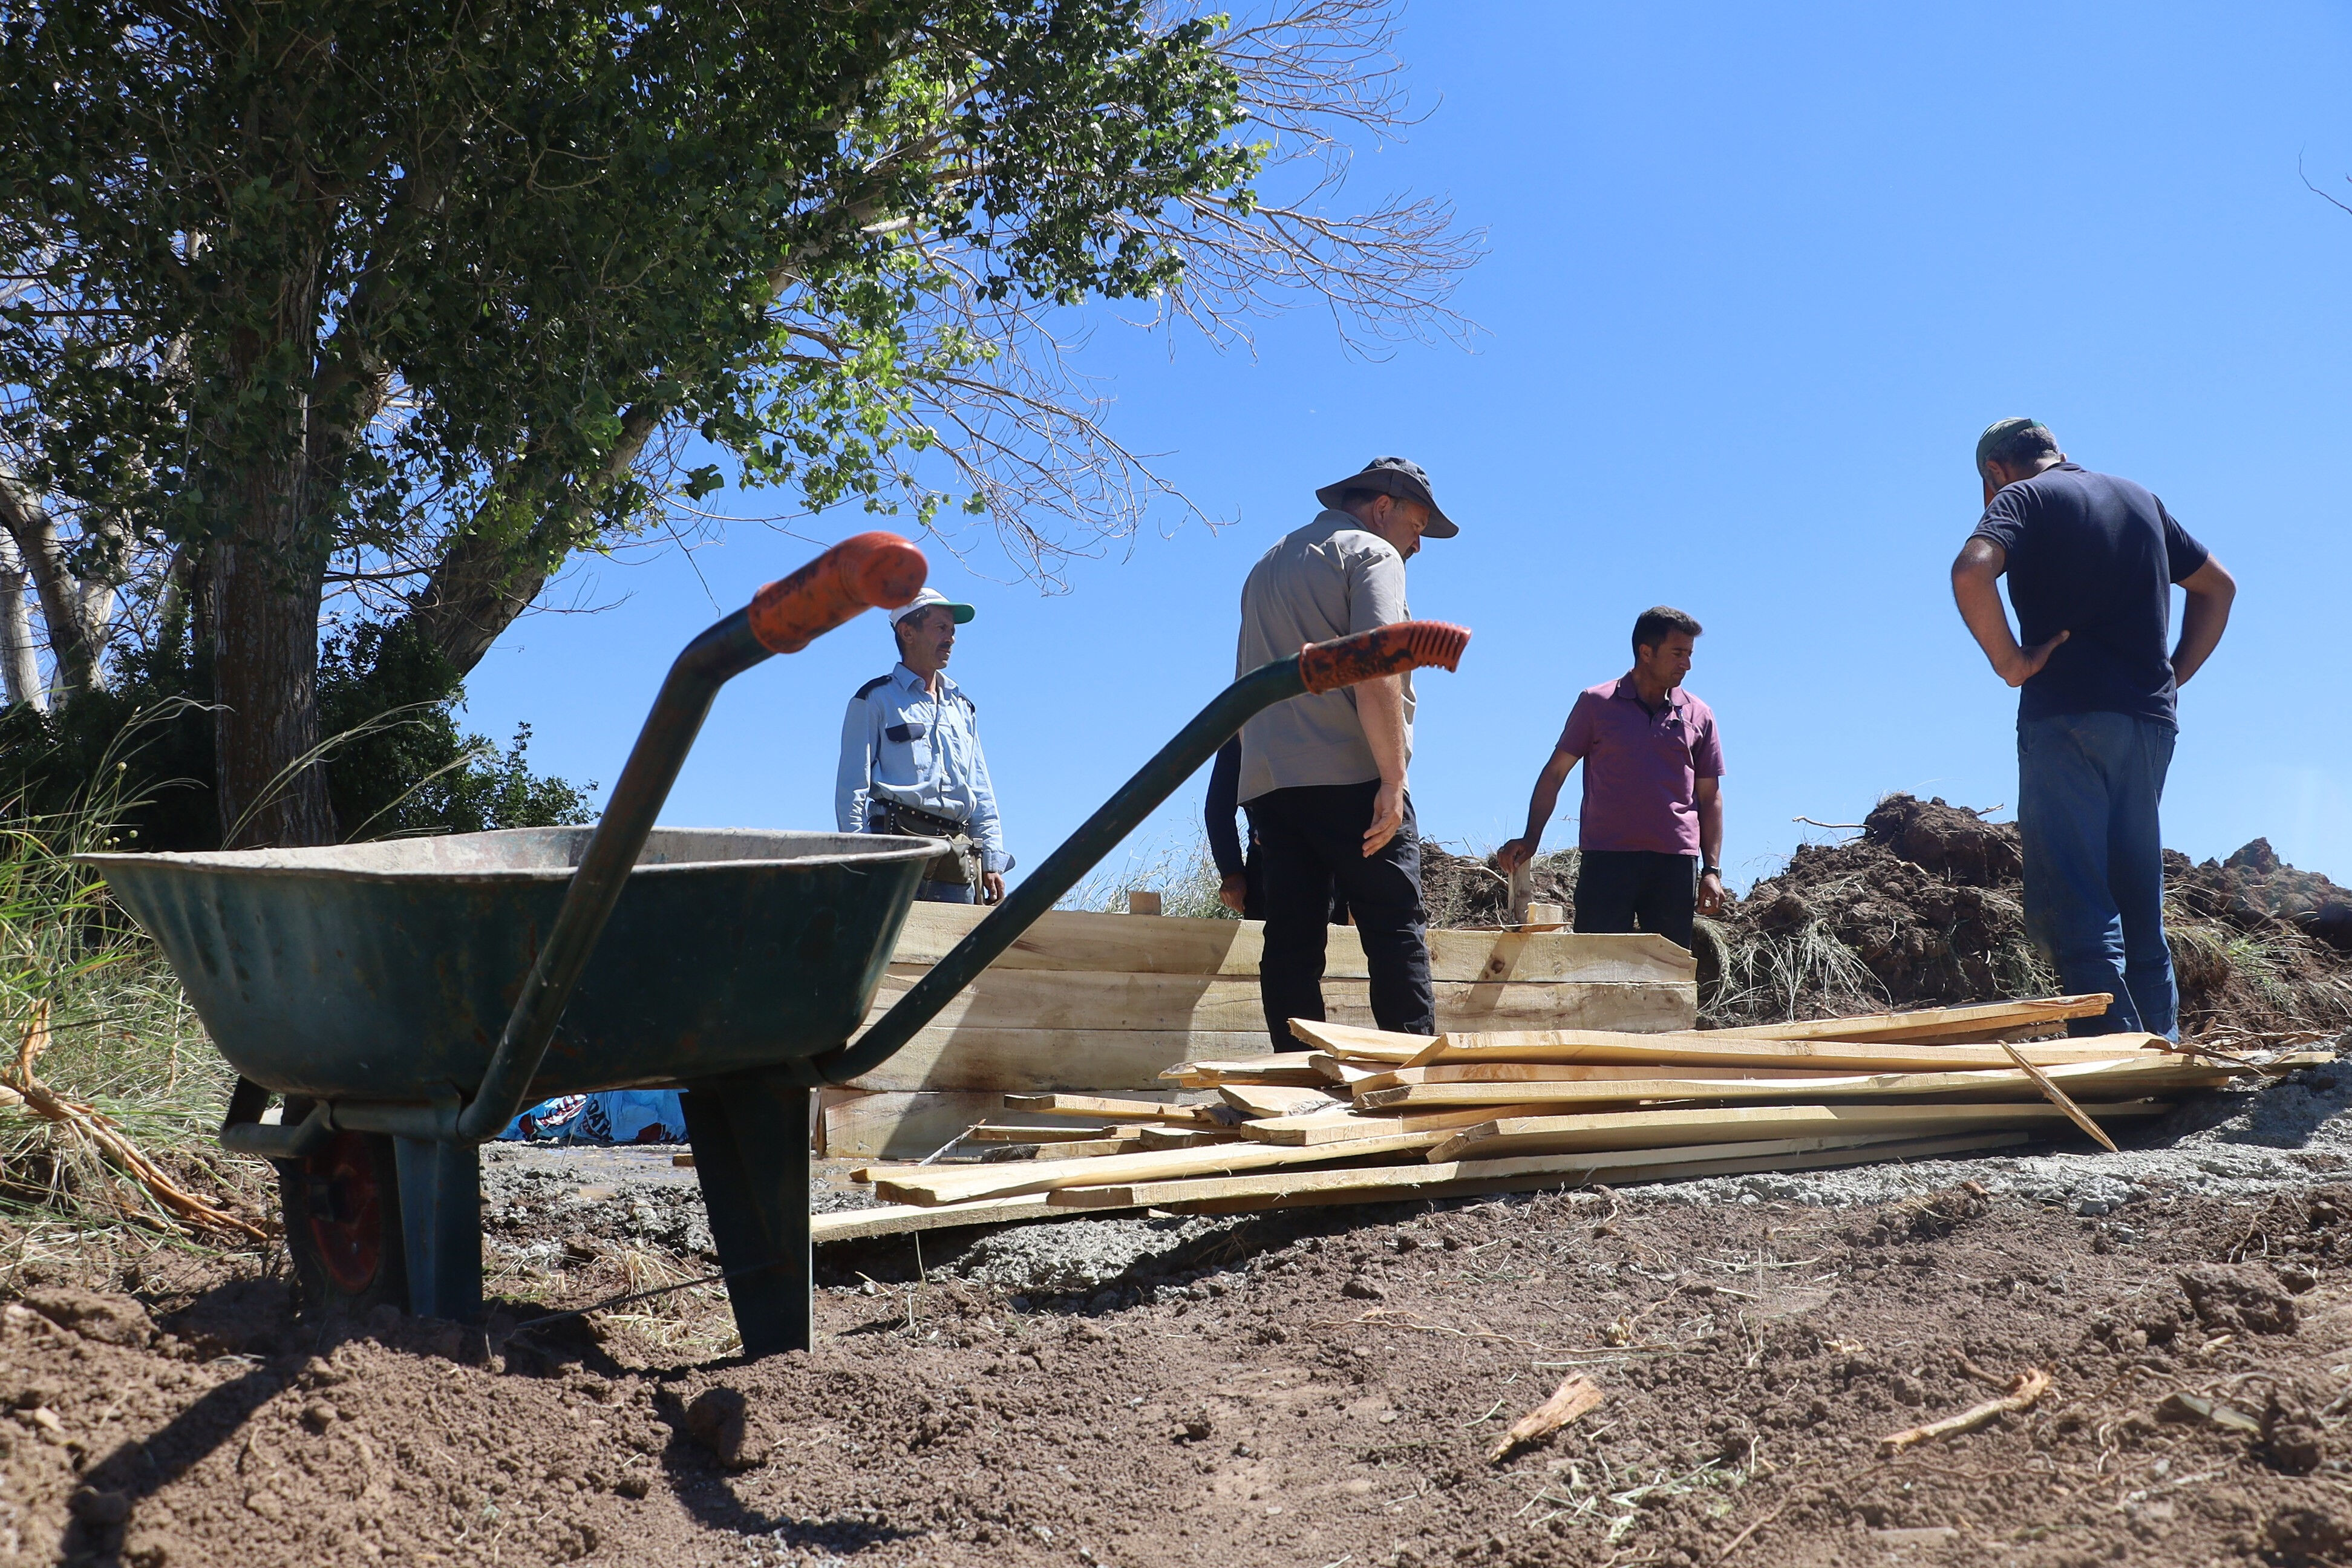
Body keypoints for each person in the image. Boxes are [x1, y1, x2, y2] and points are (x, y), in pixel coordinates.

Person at [1950, 418, 2234, 1040]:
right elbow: (2218, 587)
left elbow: (1972, 570)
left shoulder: (2024, 498)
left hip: (2067, 720)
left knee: (2080, 902)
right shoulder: (2141, 499)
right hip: (2149, 724)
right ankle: (2159, 1052)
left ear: (1996, 472)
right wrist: (2172, 677)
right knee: (2139, 899)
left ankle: (2111, 1061)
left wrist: (2012, 663)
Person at [1233, 456, 1458, 1047]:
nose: (1418, 543)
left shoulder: (1268, 562)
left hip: (1272, 783)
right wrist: (1392, 779)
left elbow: (1248, 678)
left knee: (1291, 939)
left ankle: (1295, 1085)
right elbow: (1376, 668)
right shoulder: (1371, 554)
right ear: (1383, 506)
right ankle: (1410, 1082)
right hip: (1352, 775)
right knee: (1393, 927)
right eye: (1417, 524)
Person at [1497, 607, 1726, 950]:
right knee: (1593, 967)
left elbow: (1710, 797)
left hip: (1675, 862)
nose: (1687, 665)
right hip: (1607, 859)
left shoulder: (1699, 714)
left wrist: (1712, 869)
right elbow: (1556, 772)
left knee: (1667, 977)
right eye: (1678, 654)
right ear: (1646, 652)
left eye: (1690, 655)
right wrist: (1532, 838)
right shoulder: (1596, 704)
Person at [836, 584, 1011, 904]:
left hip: (957, 865)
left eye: (953, 630)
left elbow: (981, 790)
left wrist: (991, 860)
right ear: (907, 632)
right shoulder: (874, 700)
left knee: (961, 953)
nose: (951, 638)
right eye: (941, 628)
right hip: (895, 859)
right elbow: (852, 790)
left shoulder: (962, 708)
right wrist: (858, 861)